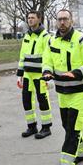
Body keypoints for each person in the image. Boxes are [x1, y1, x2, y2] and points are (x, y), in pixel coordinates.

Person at [42, 9, 83, 165]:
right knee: (67, 125)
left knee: (73, 128)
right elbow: (47, 60)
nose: (62, 22)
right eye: (59, 19)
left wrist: (77, 73)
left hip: (79, 91)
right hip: (62, 92)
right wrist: (47, 72)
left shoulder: (82, 39)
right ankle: (80, 152)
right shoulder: (52, 41)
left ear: (72, 20)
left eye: (65, 19)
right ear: (56, 22)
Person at [17, 10, 53, 139]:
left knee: (42, 99)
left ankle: (46, 127)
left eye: (32, 18)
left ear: (39, 19)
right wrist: (19, 74)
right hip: (27, 75)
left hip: (40, 75)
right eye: (28, 18)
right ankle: (31, 126)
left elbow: (49, 57)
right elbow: (22, 56)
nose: (30, 20)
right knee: (26, 100)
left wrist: (48, 75)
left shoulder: (45, 36)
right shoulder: (27, 36)